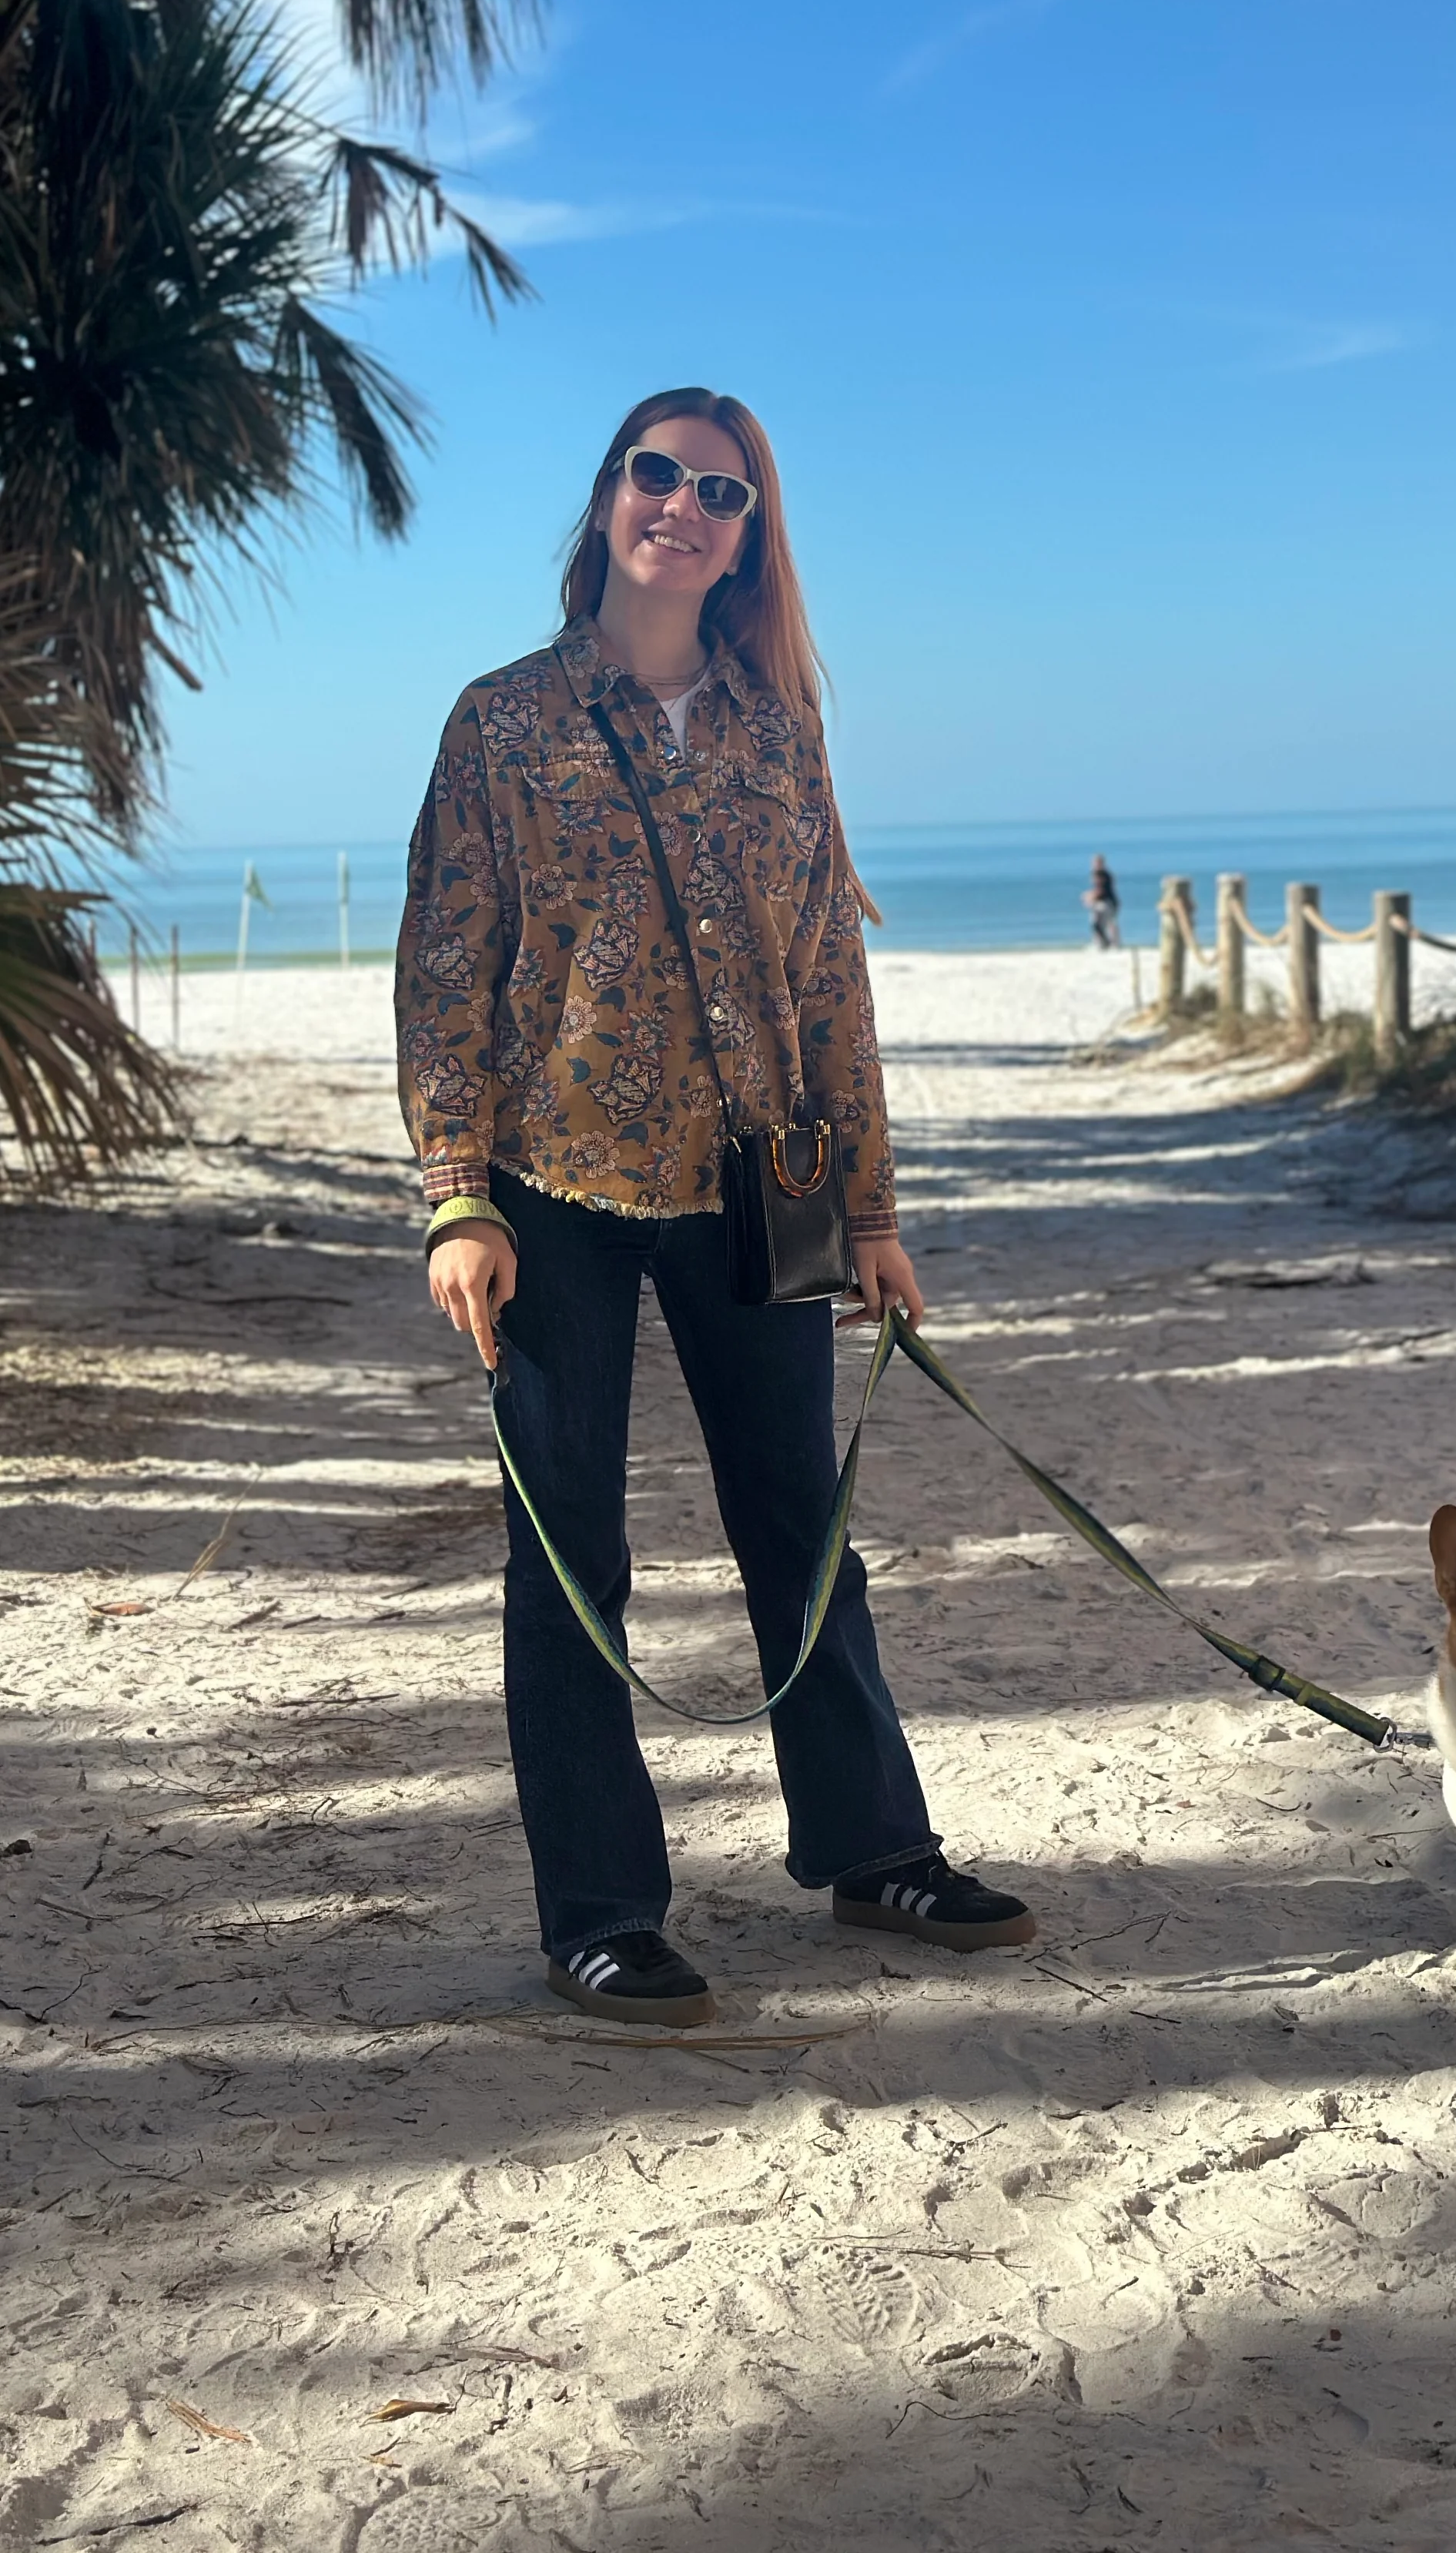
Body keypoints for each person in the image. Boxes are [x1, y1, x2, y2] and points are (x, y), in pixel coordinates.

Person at [396, 385, 1035, 2025]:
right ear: (609, 497)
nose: (683, 505)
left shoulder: (778, 731)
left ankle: (875, 1849)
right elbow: (448, 970)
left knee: (801, 1524)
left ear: (751, 540)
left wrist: (873, 1212)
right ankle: (601, 1913)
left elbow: (829, 985)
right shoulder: (502, 721)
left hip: (762, 1181)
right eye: (657, 473)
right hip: (550, 1189)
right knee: (570, 1554)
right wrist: (456, 1197)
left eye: (721, 492)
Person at [1083, 853, 1120, 950]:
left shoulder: (1103, 875)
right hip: (1103, 903)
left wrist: (1089, 897)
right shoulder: (1097, 874)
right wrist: (1090, 897)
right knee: (1097, 923)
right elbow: (1098, 890)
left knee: (1107, 923)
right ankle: (1102, 943)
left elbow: (1102, 891)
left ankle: (1112, 943)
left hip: (1107, 903)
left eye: (1097, 863)